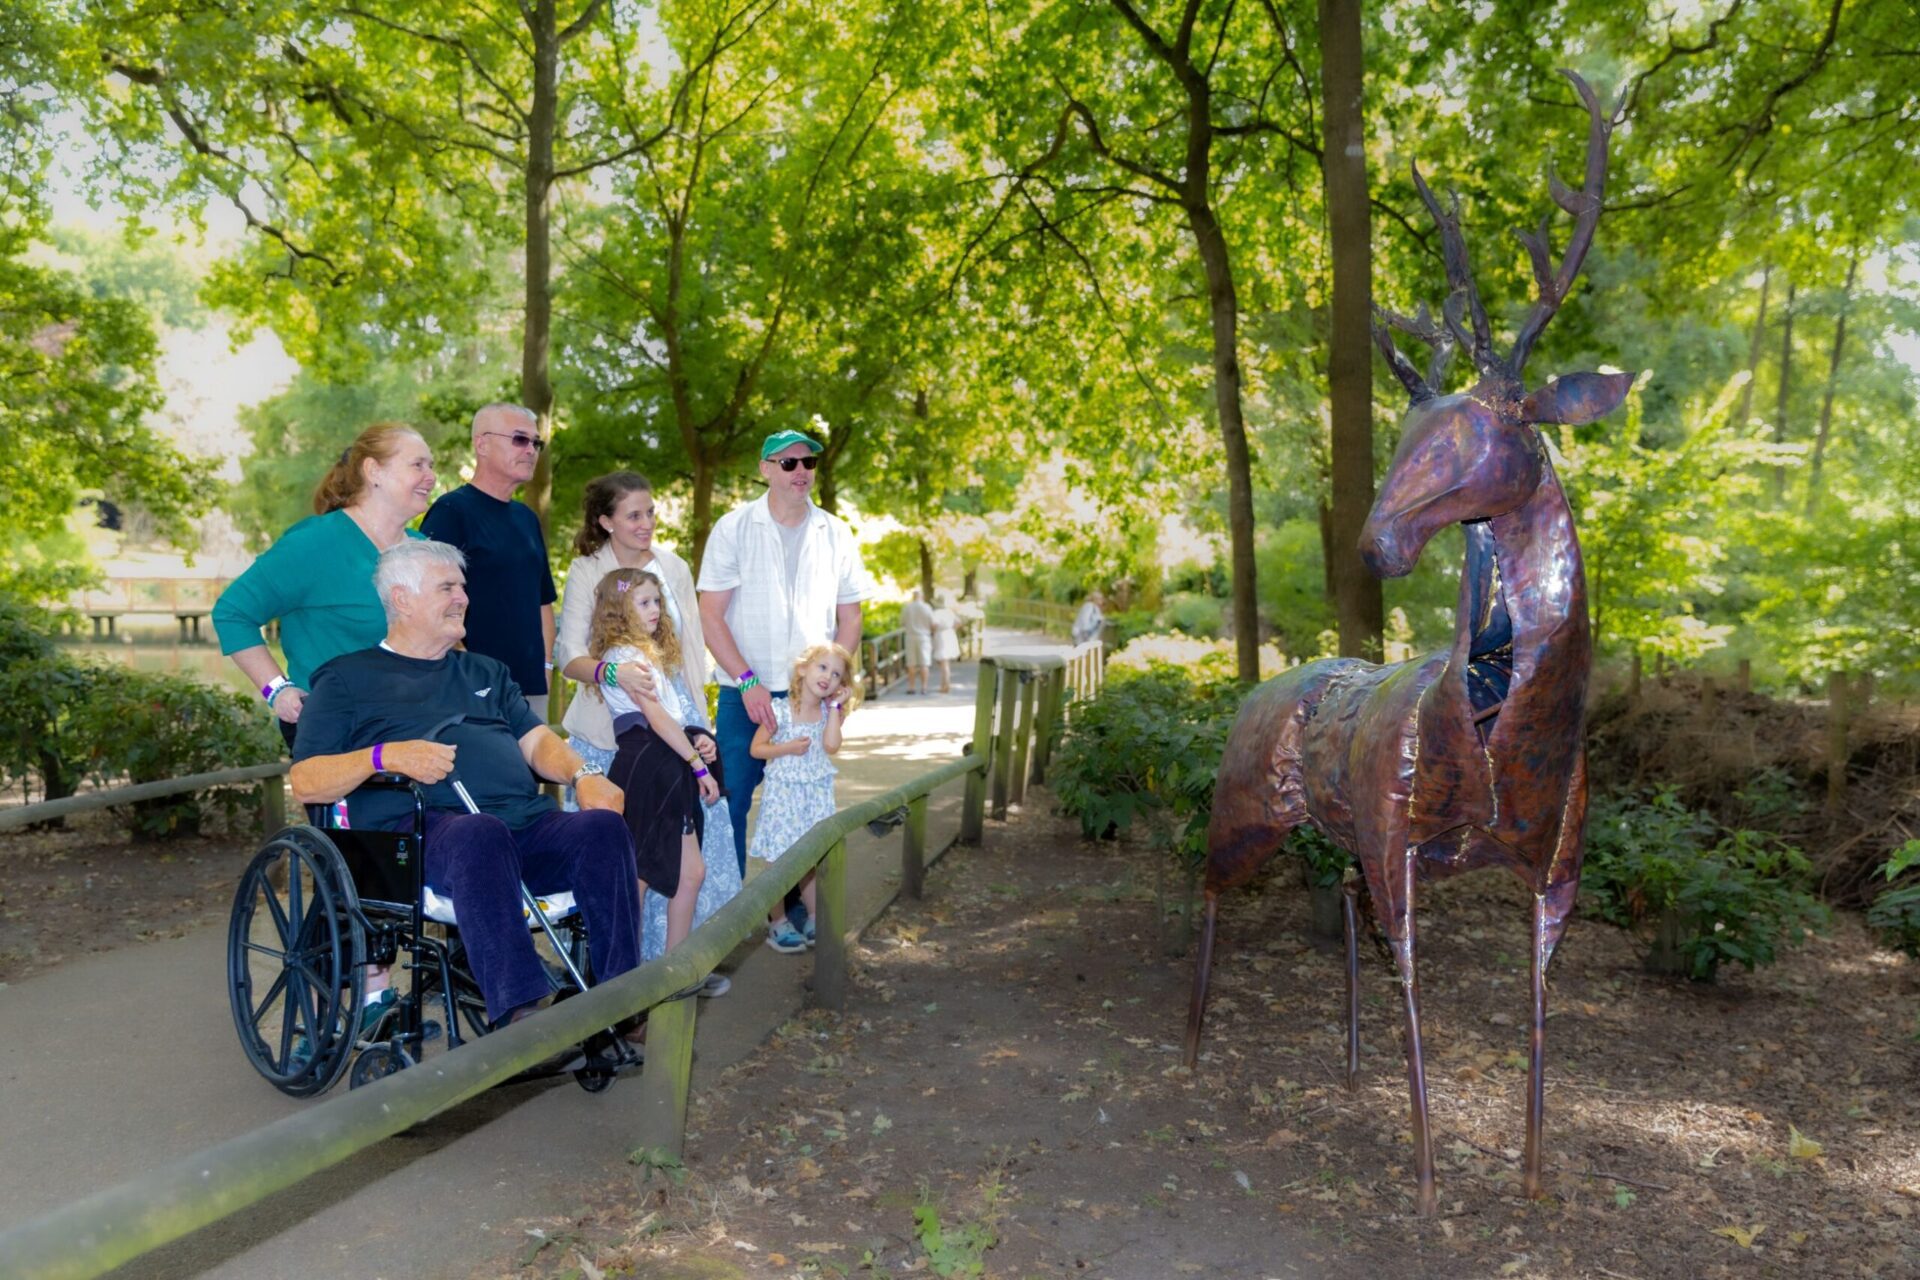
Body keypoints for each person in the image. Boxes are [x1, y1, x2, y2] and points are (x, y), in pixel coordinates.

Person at [289, 539, 643, 1034]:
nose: (463, 598)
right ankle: (518, 1017)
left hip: (522, 827)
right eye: (447, 587)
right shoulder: (347, 678)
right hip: (419, 840)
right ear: (402, 598)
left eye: (462, 587)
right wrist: (384, 755)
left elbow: (538, 740)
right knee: (480, 833)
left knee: (601, 830)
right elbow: (305, 781)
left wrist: (585, 775)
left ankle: (622, 1001)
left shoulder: (486, 672)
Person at [554, 471, 738, 994]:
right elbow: (569, 655)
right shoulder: (590, 571)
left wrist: (698, 730)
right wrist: (611, 673)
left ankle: (677, 967)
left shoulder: (672, 567)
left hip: (677, 734)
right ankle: (618, 982)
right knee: (630, 863)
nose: (646, 524)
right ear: (606, 521)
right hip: (617, 740)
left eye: (651, 512)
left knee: (686, 862)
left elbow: (688, 653)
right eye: (633, 515)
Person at [698, 428, 874, 894]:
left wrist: (837, 679)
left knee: (807, 805)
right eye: (789, 463)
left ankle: (794, 912)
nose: (801, 471)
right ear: (765, 470)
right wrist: (748, 679)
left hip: (808, 696)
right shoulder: (733, 529)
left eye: (809, 463)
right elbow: (710, 617)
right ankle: (729, 913)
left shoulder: (835, 532)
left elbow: (850, 618)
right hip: (744, 693)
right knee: (730, 799)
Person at [213, 423, 434, 750]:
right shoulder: (313, 545)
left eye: (432, 466)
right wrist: (277, 690)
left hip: (418, 727)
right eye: (418, 465)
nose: (431, 476)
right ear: (374, 471)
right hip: (336, 733)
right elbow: (232, 614)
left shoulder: (424, 550)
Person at [586, 567, 720, 960]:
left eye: (657, 601)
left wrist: (695, 740)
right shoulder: (625, 657)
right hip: (646, 764)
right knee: (640, 875)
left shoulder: (647, 654)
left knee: (690, 873)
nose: (655, 609)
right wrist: (697, 764)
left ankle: (672, 977)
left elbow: (671, 718)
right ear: (618, 610)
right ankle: (625, 987)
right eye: (643, 602)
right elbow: (654, 717)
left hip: (667, 760)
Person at [420, 404, 557, 720]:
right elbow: (428, 598)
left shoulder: (526, 518)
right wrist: (467, 671)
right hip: (471, 688)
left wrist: (546, 667)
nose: (531, 451)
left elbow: (543, 603)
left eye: (536, 443)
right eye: (520, 439)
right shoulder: (451, 512)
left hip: (530, 690)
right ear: (481, 444)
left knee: (534, 771)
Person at [749, 643, 859, 952]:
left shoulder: (827, 713)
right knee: (779, 861)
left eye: (836, 674)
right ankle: (777, 923)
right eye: (822, 667)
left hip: (814, 794)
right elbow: (756, 748)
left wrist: (837, 708)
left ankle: (813, 917)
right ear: (803, 669)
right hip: (784, 796)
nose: (828, 677)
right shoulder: (780, 709)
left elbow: (832, 746)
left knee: (810, 859)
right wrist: (787, 748)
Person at [901, 588, 935, 695]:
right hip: (924, 637)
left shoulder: (907, 608)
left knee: (911, 664)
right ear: (922, 596)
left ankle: (911, 687)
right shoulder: (927, 607)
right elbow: (932, 623)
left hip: (910, 637)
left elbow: (902, 622)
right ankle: (924, 687)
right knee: (924, 663)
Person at [930, 593, 960, 694]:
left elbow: (934, 625)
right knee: (946, 663)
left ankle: (945, 685)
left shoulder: (937, 613)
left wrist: (933, 632)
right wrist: (952, 628)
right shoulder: (949, 612)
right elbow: (958, 622)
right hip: (950, 635)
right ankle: (945, 684)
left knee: (944, 662)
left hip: (941, 636)